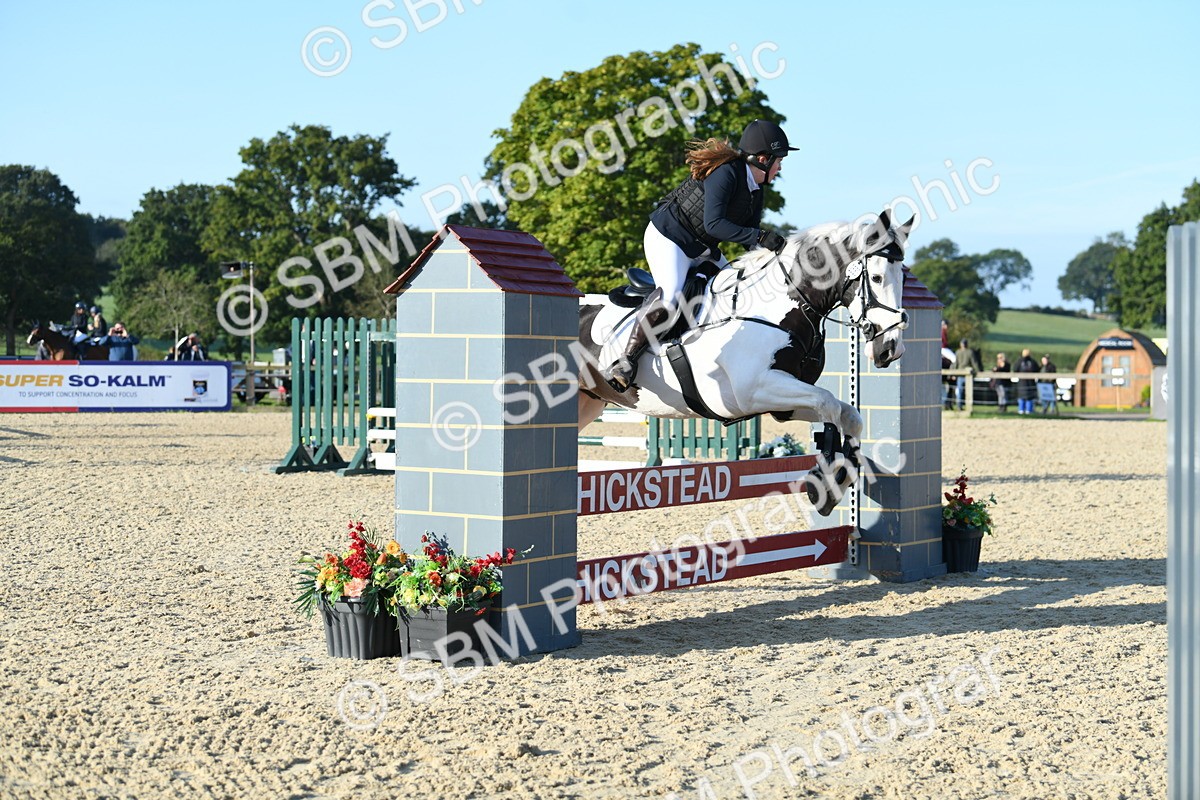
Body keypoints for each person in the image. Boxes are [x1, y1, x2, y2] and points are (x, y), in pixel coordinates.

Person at [603, 119, 796, 392]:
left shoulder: (755, 189)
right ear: (763, 159)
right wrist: (760, 237)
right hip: (669, 238)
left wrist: (775, 259)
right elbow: (714, 225)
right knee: (671, 295)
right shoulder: (727, 173)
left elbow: (749, 237)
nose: (780, 168)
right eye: (779, 161)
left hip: (702, 248)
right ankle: (625, 361)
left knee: (734, 291)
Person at [952, 339, 981, 410]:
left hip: (960, 374)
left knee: (959, 391)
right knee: (968, 391)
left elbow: (955, 363)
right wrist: (978, 371)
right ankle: (968, 406)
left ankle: (959, 406)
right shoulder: (970, 352)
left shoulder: (958, 352)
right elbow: (974, 362)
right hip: (968, 375)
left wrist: (953, 373)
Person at [1015, 349, 1039, 415]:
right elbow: (1037, 370)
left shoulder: (1019, 361)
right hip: (1030, 382)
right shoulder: (1033, 361)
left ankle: (1021, 410)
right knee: (1030, 397)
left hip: (1021, 383)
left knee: (1021, 396)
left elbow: (1015, 369)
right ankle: (1029, 410)